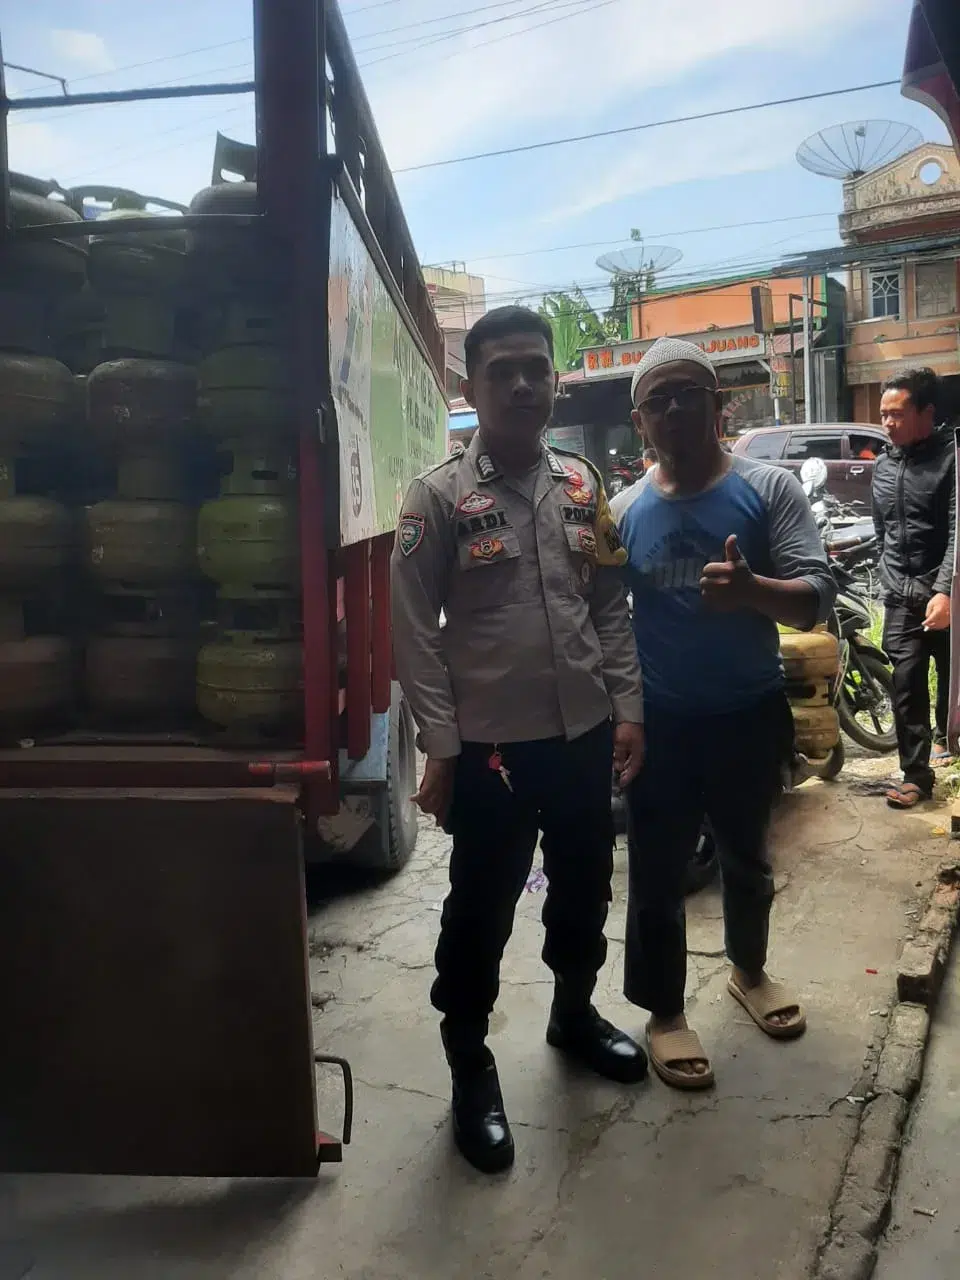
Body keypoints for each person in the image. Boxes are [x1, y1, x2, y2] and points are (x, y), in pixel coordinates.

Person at [391, 305, 648, 1174]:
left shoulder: (582, 485)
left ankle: (573, 1016)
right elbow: (414, 634)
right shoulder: (436, 498)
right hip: (491, 752)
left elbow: (608, 606)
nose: (522, 384)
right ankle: (471, 1064)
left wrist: (629, 708)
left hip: (580, 737)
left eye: (536, 367)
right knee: (480, 911)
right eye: (501, 370)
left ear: (554, 380)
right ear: (472, 385)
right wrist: (440, 745)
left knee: (582, 891)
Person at [610, 336, 836, 1091]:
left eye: (689, 393)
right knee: (657, 873)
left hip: (748, 711)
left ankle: (749, 971)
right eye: (658, 399)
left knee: (748, 857)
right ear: (640, 420)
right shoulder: (623, 512)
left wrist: (751, 592)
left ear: (718, 405)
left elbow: (816, 595)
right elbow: (604, 621)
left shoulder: (768, 489)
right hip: (661, 723)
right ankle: (664, 1013)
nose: (674, 408)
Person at [873, 368, 956, 808]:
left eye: (897, 414)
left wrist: (946, 591)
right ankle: (916, 775)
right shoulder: (884, 465)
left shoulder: (952, 460)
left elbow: (958, 530)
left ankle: (949, 740)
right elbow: (883, 529)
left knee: (954, 685)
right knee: (906, 686)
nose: (888, 423)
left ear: (926, 413)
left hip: (946, 593)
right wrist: (889, 577)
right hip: (901, 596)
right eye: (883, 414)